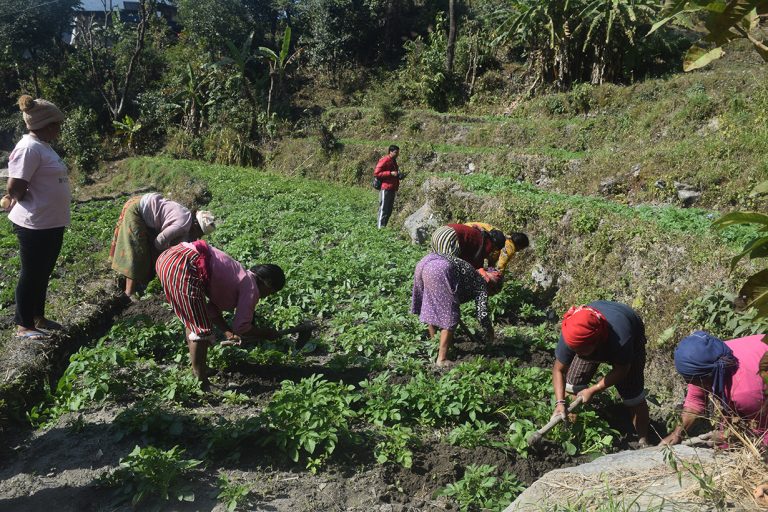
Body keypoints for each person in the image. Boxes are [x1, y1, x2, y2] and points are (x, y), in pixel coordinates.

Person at [156, 240, 285, 385]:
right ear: (267, 284)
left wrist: (227, 331)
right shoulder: (251, 287)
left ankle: (200, 370)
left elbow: (211, 311)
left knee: (195, 320)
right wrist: (266, 333)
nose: (267, 296)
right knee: (200, 328)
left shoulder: (239, 277)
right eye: (271, 292)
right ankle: (201, 381)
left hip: (170, 258)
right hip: (183, 263)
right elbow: (242, 327)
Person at [2, 95, 69, 340]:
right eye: (57, 125)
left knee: (43, 272)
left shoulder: (43, 145)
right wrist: (20, 197)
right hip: (34, 223)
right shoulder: (28, 148)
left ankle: (38, 317)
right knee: (31, 273)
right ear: (46, 125)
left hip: (51, 221)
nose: (59, 129)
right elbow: (14, 187)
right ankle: (23, 325)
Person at [551, 301, 650, 446]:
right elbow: (558, 370)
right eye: (575, 350)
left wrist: (594, 389)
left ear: (595, 343)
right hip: (594, 337)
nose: (577, 354)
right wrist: (560, 403)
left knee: (633, 397)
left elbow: (622, 369)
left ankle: (643, 440)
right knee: (572, 385)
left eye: (581, 350)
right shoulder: (571, 333)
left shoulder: (622, 338)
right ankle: (573, 433)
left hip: (630, 335)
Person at [411, 226, 501, 366]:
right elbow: (482, 314)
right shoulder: (481, 285)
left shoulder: (472, 272)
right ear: (491, 284)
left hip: (425, 262)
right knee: (450, 315)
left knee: (431, 304)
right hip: (441, 268)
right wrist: (489, 331)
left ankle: (435, 342)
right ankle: (441, 359)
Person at [660, 331, 768, 447]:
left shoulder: (745, 391)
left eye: (691, 380)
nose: (688, 383)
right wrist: (677, 433)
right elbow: (695, 400)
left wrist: (728, 437)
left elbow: (762, 432)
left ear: (707, 376)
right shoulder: (710, 356)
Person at [110, 191, 216, 297]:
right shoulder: (181, 225)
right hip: (137, 211)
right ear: (196, 225)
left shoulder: (187, 218)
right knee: (137, 253)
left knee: (149, 251)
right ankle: (129, 293)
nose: (198, 238)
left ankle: (141, 282)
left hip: (144, 206)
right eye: (200, 233)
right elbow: (158, 242)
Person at [463, 222, 530, 275]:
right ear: (519, 246)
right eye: (521, 249)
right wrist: (491, 272)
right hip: (470, 239)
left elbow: (491, 260)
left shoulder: (501, 235)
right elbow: (499, 268)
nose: (519, 251)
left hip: (465, 228)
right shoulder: (510, 248)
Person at [442, 223, 507, 269]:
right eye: (496, 249)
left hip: (443, 230)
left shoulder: (481, 234)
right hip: (450, 236)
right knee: (448, 269)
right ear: (495, 245)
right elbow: (474, 263)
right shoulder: (488, 244)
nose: (494, 251)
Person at [374, 145, 406, 228]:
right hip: (386, 188)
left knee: (389, 210)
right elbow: (376, 173)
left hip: (392, 188)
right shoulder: (385, 160)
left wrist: (399, 175)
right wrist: (390, 173)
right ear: (390, 152)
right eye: (395, 152)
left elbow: (393, 174)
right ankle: (380, 228)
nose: (397, 154)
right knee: (384, 208)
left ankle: (383, 227)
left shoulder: (393, 160)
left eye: (398, 152)